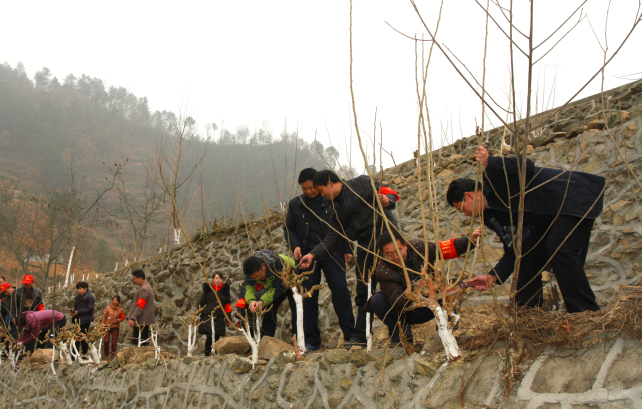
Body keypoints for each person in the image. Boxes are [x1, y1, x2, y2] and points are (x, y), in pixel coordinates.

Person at [446, 146, 604, 313]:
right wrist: (493, 275)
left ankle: (584, 311)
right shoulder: (490, 216)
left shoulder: (494, 179)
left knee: (559, 246)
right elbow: (515, 249)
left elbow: (527, 166)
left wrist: (491, 162)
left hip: (572, 198)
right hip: (550, 218)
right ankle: (528, 316)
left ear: (470, 195)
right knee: (526, 253)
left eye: (462, 209)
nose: (465, 214)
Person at [299, 170, 399, 345]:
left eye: (321, 191)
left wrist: (387, 201)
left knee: (395, 286)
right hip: (365, 245)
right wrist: (313, 254)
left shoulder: (362, 183)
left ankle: (401, 334)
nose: (321, 195)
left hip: (388, 240)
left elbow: (388, 192)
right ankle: (361, 335)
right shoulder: (336, 207)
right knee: (363, 290)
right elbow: (333, 235)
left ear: (330, 184)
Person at [284, 168, 355, 351]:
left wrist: (347, 247)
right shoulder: (296, 205)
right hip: (306, 257)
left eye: (312, 187)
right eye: (305, 188)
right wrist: (295, 245)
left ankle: (351, 335)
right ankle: (312, 341)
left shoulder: (330, 199)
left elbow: (344, 225)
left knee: (340, 290)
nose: (309, 191)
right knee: (307, 297)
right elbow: (289, 228)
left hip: (333, 251)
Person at [368, 229, 480, 344]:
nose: (396, 257)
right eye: (390, 254)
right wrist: (414, 289)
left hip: (435, 301)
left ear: (405, 246)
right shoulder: (383, 270)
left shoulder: (418, 247)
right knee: (377, 300)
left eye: (399, 250)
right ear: (382, 253)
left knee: (454, 284)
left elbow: (446, 248)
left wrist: (471, 240)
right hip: (409, 311)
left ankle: (445, 334)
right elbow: (396, 301)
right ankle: (401, 338)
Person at [241, 250, 298, 338]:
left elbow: (278, 288)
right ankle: (267, 340)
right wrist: (251, 301)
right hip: (276, 286)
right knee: (268, 311)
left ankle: (299, 339)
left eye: (258, 276)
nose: (258, 279)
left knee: (296, 310)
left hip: (293, 282)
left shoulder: (277, 264)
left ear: (263, 266)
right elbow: (248, 285)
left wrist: (262, 301)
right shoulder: (252, 269)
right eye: (255, 278)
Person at [198, 273, 231, 356]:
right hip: (208, 316)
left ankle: (214, 353)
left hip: (219, 317)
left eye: (220, 278)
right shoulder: (208, 290)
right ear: (213, 280)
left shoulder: (224, 291)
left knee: (217, 336)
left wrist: (228, 318)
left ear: (222, 279)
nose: (218, 280)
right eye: (216, 278)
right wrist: (198, 315)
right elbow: (201, 303)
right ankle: (207, 353)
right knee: (210, 335)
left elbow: (227, 305)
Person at [128, 269, 156, 346]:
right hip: (143, 321)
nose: (133, 280)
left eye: (134, 278)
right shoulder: (147, 286)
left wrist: (133, 318)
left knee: (139, 343)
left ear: (140, 278)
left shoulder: (144, 289)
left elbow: (140, 306)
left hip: (141, 321)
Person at [71, 281, 95, 355]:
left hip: (85, 320)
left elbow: (90, 309)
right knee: (76, 338)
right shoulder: (78, 298)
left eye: (80, 288)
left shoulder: (90, 297)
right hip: (77, 320)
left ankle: (84, 354)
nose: (79, 290)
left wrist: (78, 312)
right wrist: (73, 311)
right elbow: (76, 308)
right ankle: (75, 354)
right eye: (78, 289)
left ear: (85, 288)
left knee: (83, 338)